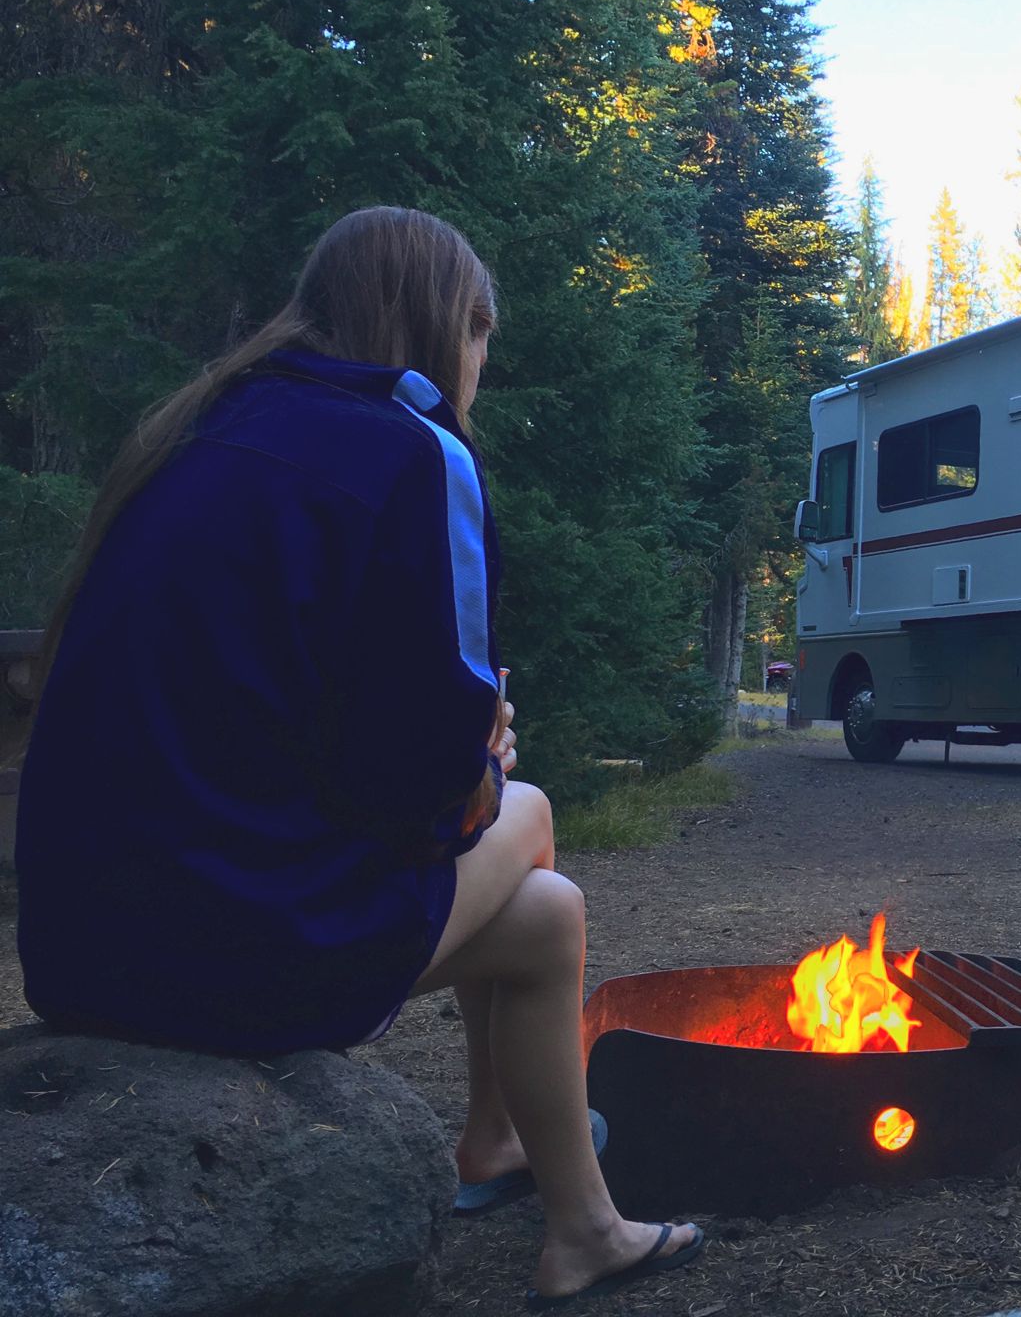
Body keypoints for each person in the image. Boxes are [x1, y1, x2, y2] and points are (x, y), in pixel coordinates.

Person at [16, 206, 703, 1309]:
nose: (480, 369)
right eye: (483, 341)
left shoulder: (199, 428)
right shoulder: (409, 449)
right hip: (234, 957)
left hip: (81, 948)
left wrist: (447, 761)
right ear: (449, 328)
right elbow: (416, 785)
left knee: (547, 915)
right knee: (524, 819)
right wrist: (476, 759)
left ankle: (573, 1217)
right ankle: (509, 1159)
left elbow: (247, 718)